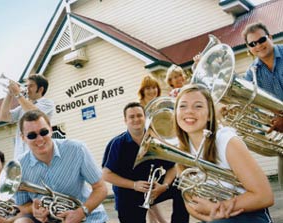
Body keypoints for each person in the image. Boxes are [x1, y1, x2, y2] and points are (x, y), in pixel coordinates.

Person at [173, 83, 274, 222]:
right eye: (183, 106)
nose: (189, 111)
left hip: (250, 217)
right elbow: (189, 201)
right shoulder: (180, 150)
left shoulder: (227, 141)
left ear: (209, 115)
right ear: (176, 113)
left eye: (198, 106)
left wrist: (217, 207)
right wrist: (212, 216)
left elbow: (264, 196)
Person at [13, 110, 108, 223]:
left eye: (43, 132)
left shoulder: (77, 149)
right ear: (23, 138)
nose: (39, 139)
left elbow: (101, 188)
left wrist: (81, 212)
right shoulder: (19, 166)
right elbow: (23, 205)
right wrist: (33, 209)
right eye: (32, 135)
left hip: (87, 216)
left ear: (51, 130)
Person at [102, 102, 189, 223]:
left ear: (145, 117)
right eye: (131, 117)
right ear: (125, 121)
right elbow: (106, 175)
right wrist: (134, 185)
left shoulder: (157, 139)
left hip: (154, 188)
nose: (136, 119)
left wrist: (164, 186)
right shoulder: (117, 144)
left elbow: (172, 167)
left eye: (139, 115)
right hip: (128, 195)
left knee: (182, 187)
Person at [242, 21, 283, 188]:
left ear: (270, 37)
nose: (258, 46)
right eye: (252, 44)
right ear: (249, 48)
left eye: (262, 40)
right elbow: (245, 103)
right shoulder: (251, 73)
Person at [137, 75, 170, 223]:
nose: (152, 90)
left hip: (164, 147)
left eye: (154, 87)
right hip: (147, 149)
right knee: (148, 188)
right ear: (143, 91)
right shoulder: (139, 107)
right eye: (148, 88)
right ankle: (160, 221)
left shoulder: (162, 104)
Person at [0, 74, 54, 160]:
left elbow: (34, 114)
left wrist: (17, 93)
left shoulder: (47, 103)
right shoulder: (22, 107)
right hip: (21, 157)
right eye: (26, 86)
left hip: (38, 157)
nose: (27, 89)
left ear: (40, 89)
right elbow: (4, 116)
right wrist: (9, 94)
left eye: (31, 86)